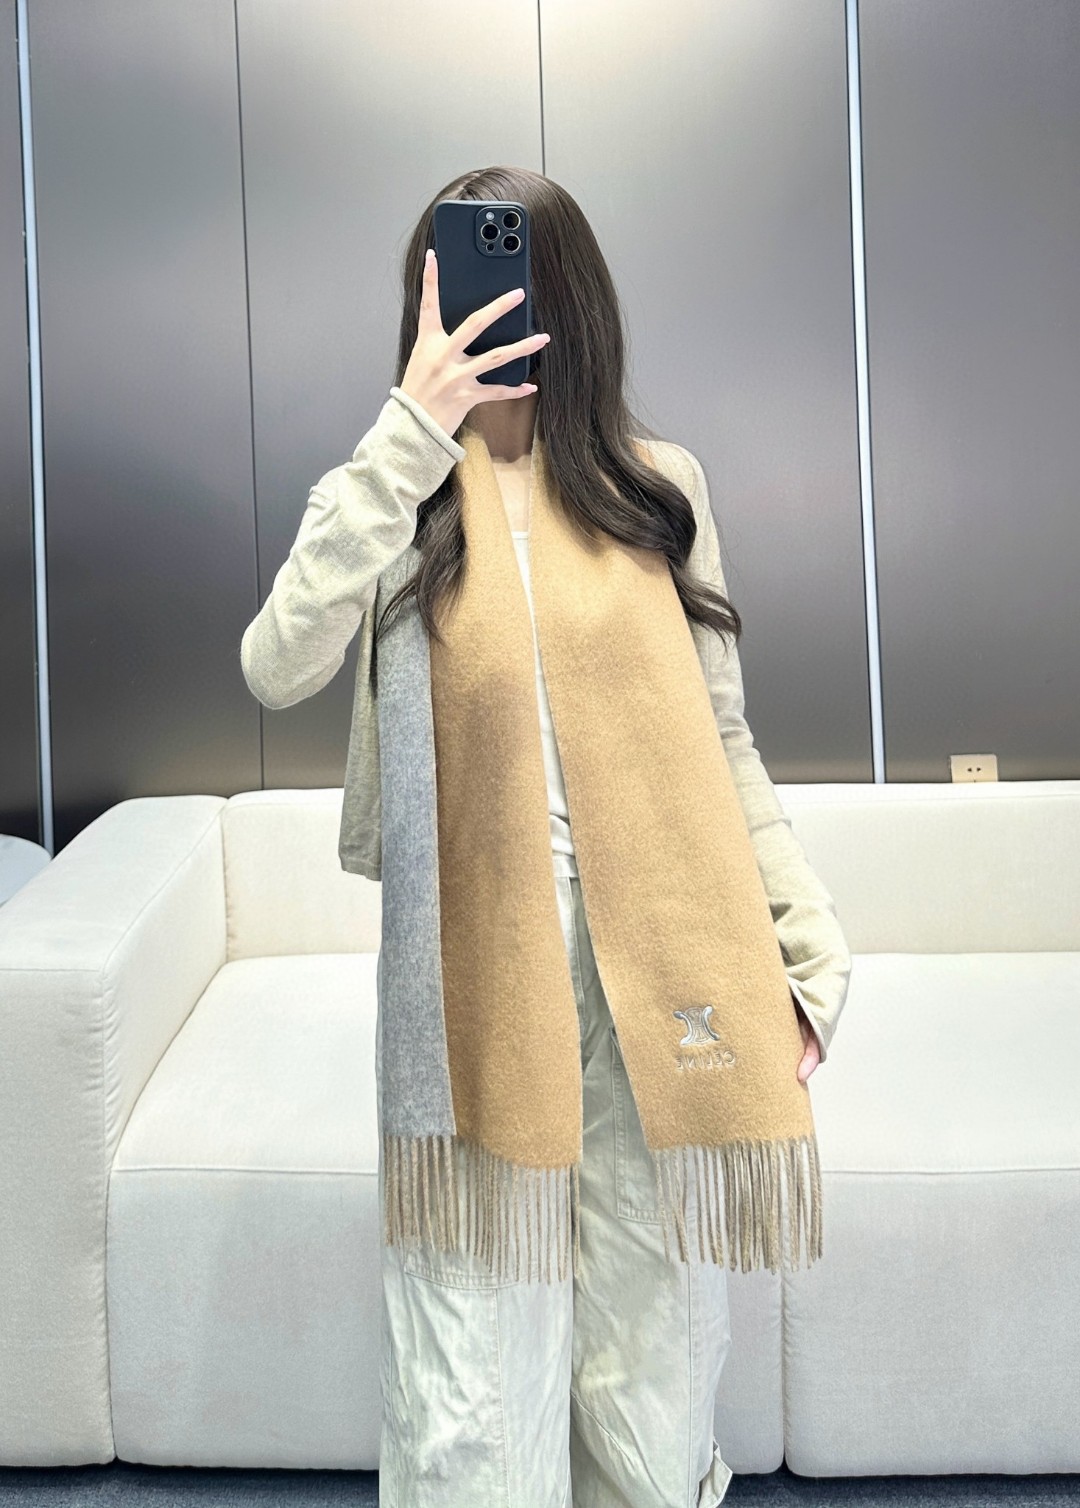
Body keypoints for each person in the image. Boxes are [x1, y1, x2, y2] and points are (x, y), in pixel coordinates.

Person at [241, 166, 851, 1508]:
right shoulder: (395, 497)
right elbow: (275, 663)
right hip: (478, 986)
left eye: (505, 280)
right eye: (448, 287)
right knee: (471, 1395)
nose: (475, 311)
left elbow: (724, 741)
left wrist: (804, 947)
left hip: (663, 970)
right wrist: (413, 427)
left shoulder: (656, 487)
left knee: (648, 1373)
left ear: (562, 300)